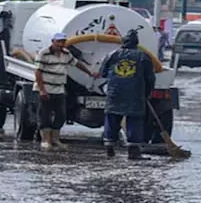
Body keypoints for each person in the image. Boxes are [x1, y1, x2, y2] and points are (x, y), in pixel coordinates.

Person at [35, 32, 99, 151]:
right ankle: (46, 140)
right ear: (53, 41)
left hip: (59, 89)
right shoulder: (43, 53)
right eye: (58, 42)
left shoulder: (66, 53)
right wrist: (42, 90)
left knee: (61, 115)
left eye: (63, 42)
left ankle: (55, 139)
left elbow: (77, 63)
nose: (60, 44)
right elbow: (38, 72)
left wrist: (90, 72)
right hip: (47, 88)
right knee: (45, 115)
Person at [100, 30, 156, 160]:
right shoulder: (143, 56)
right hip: (135, 94)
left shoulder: (112, 55)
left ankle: (109, 149)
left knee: (112, 119)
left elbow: (103, 73)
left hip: (115, 93)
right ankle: (134, 152)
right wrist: (147, 93)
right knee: (134, 121)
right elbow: (150, 78)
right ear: (136, 42)